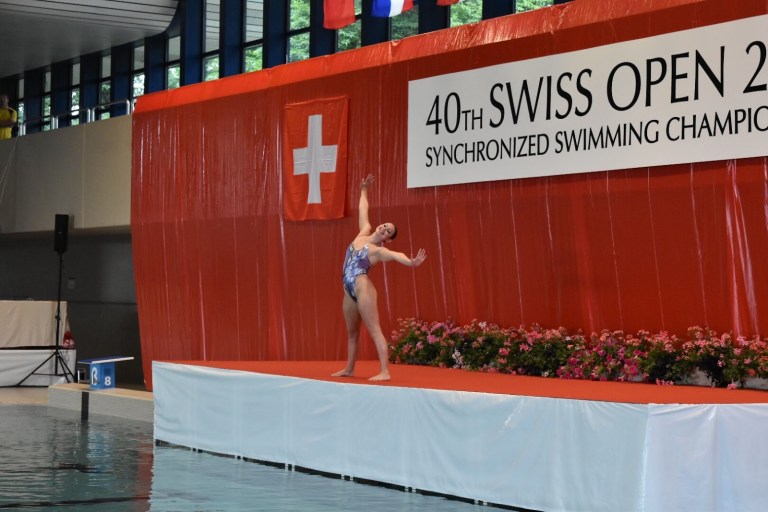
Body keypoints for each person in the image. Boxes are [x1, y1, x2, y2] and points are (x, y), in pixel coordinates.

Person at [333, 174, 427, 381]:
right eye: (385, 225)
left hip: (361, 286)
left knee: (374, 330)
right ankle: (349, 368)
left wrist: (410, 262)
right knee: (352, 333)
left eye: (388, 231)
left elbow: (396, 255)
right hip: (347, 288)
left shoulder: (377, 251)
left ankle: (385, 371)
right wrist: (364, 190)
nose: (384, 228)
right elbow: (363, 210)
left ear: (387, 239)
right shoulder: (363, 233)